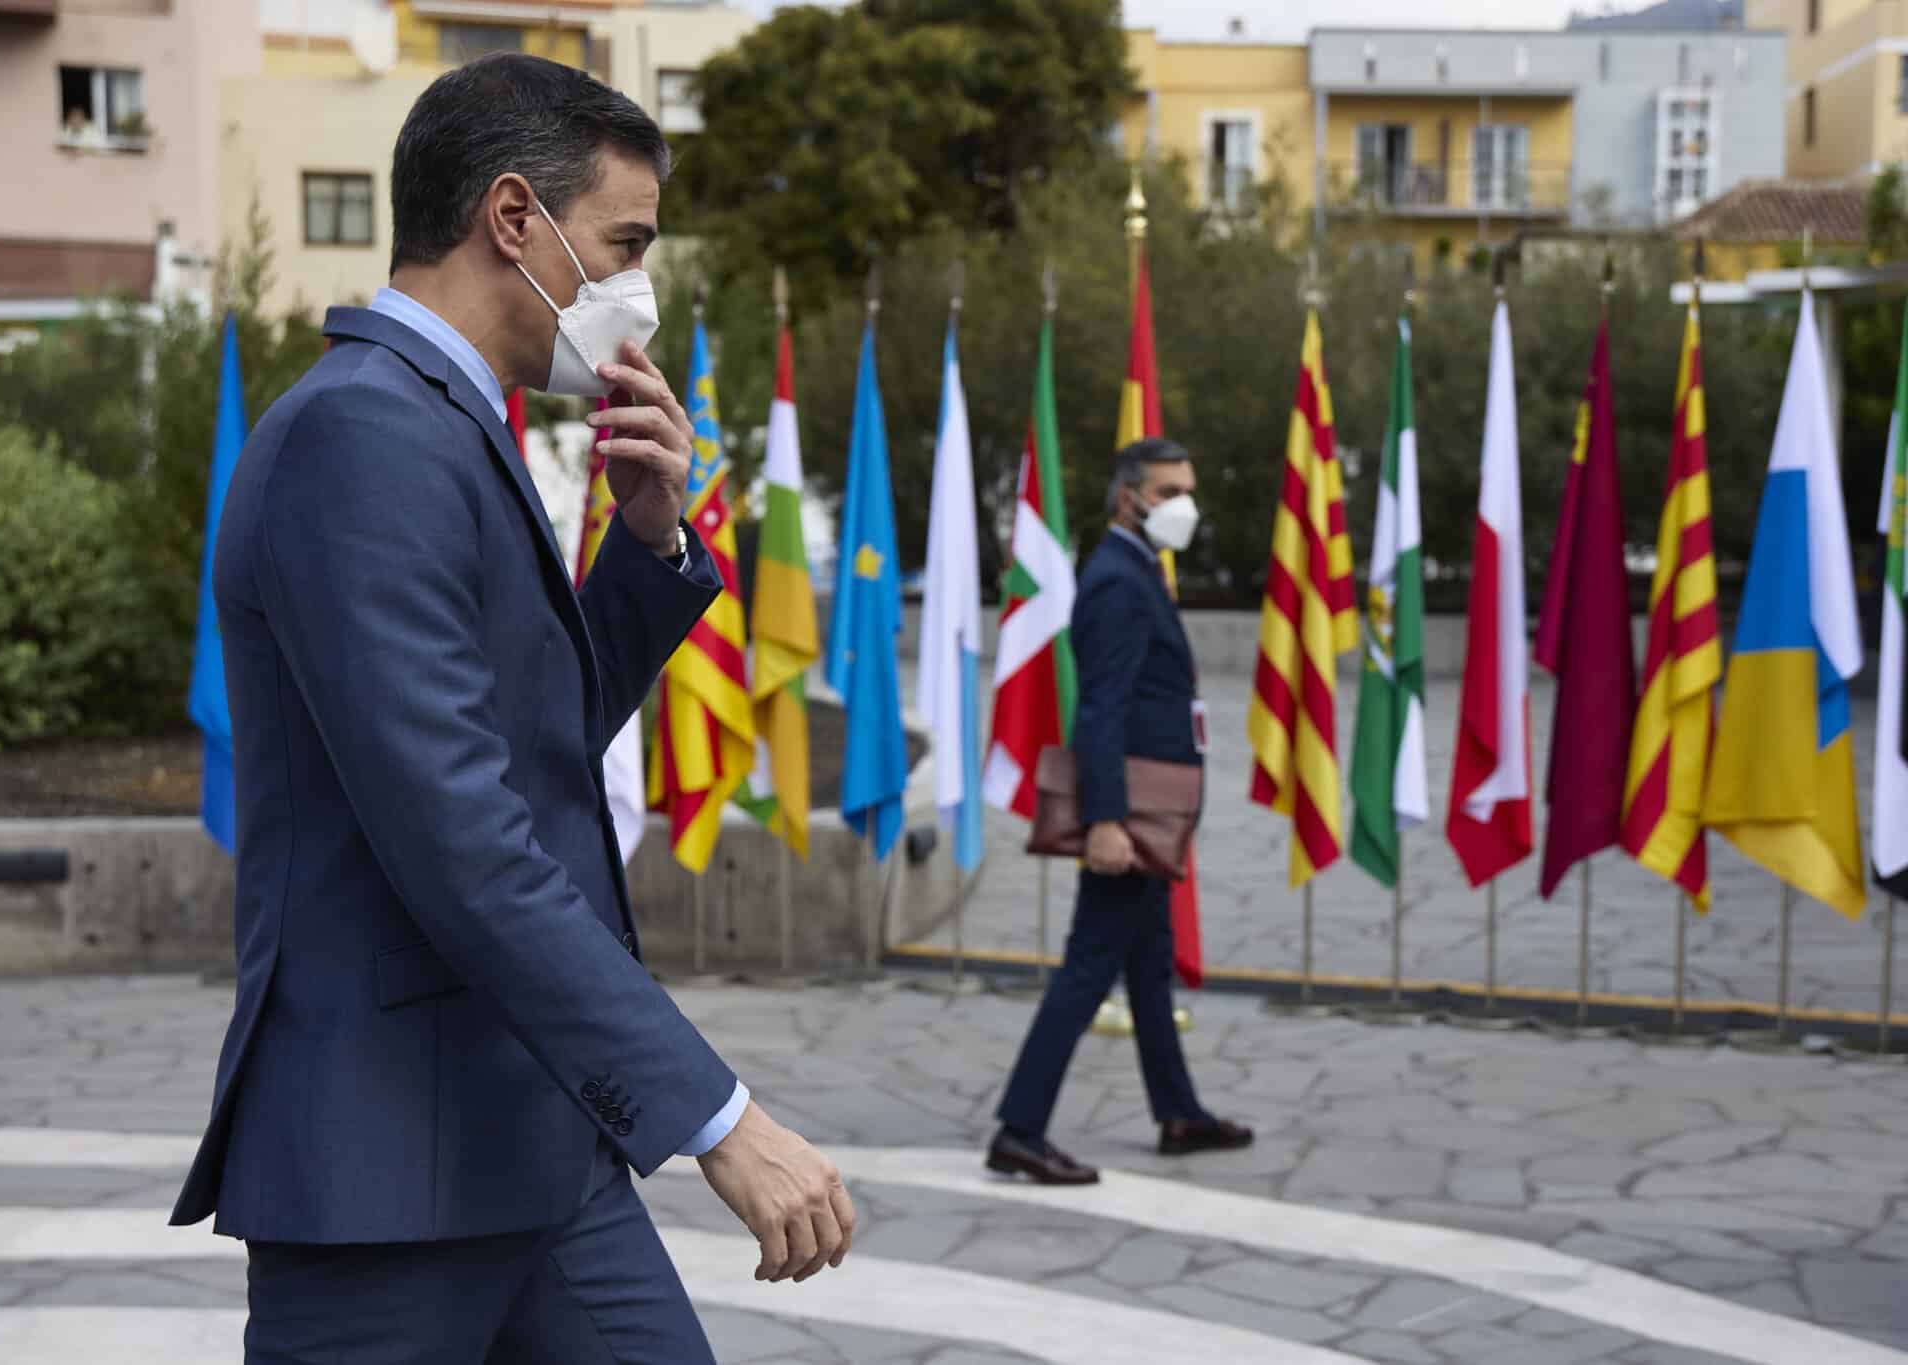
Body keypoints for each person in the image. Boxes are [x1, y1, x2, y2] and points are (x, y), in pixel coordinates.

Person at [170, 55, 854, 1364]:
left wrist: (649, 547)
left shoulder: (444, 423)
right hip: (390, 1170)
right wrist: (717, 1117)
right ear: (511, 221)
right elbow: (462, 836)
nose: (637, 290)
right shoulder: (364, 435)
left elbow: (525, 743)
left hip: (532, 1138)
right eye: (626, 243)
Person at [986, 438, 1256, 1186]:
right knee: (1087, 968)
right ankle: (1020, 1127)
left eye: (1187, 489)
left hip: (1147, 811)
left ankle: (1179, 1113)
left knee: (1148, 963)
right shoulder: (1116, 579)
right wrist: (1105, 820)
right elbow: (1099, 710)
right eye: (1169, 491)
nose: (1183, 506)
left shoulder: (1139, 570)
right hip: (1130, 815)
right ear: (1128, 497)